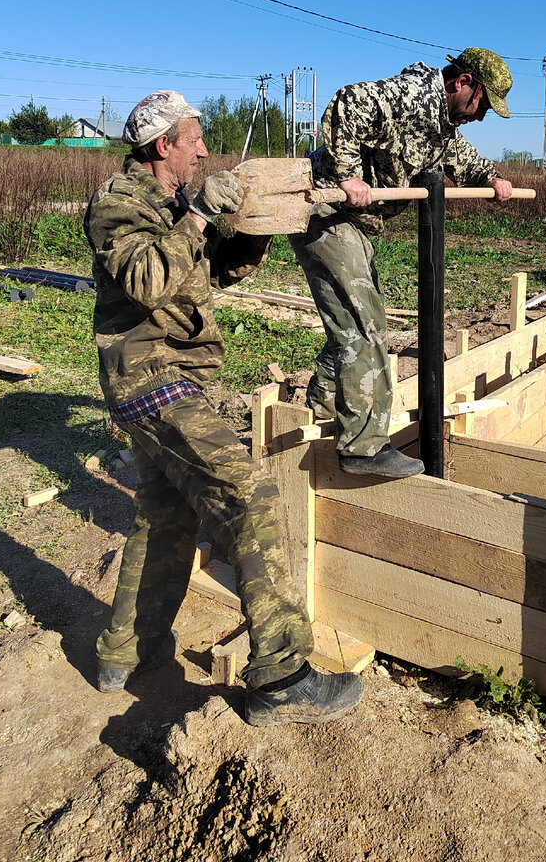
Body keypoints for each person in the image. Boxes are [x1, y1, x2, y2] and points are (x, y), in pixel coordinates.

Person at [84, 90, 362, 726]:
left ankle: (126, 653)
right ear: (164, 147)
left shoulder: (172, 203)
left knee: (163, 519)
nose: (204, 150)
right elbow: (150, 281)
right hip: (150, 378)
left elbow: (205, 276)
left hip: (169, 377)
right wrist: (200, 217)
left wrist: (247, 232)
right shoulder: (118, 204)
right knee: (249, 497)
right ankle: (282, 674)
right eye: (194, 139)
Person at [289, 48, 514, 479]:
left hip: (354, 225)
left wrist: (491, 178)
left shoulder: (443, 127)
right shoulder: (413, 94)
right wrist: (346, 174)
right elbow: (348, 101)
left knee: (351, 320)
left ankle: (317, 410)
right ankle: (363, 447)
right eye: (483, 104)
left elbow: (461, 159)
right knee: (365, 323)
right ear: (463, 82)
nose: (481, 115)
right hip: (327, 211)